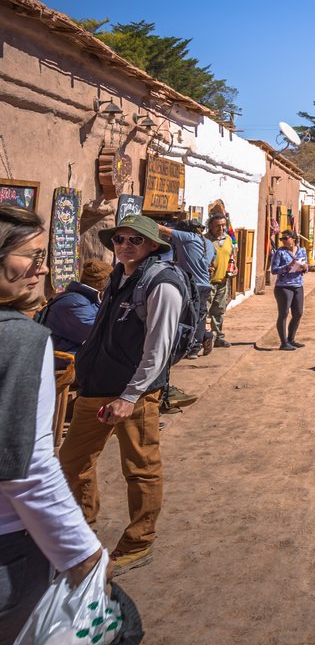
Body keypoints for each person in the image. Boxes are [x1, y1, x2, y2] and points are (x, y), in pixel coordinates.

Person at [0, 204, 107, 638]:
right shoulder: (20, 339)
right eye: (32, 257)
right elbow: (29, 468)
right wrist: (83, 554)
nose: (42, 271)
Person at [60, 213, 186, 575]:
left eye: (135, 240)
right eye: (119, 239)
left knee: (141, 469)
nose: (125, 245)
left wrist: (130, 396)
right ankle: (82, 526)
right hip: (96, 389)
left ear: (151, 245)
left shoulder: (162, 284)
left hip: (133, 395)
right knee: (73, 461)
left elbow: (157, 348)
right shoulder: (120, 277)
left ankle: (138, 542)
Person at [158, 217, 214, 360]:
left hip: (193, 285)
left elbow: (163, 230)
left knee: (192, 316)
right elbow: (209, 263)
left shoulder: (187, 237)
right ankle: (205, 336)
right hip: (205, 284)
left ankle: (194, 347)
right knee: (199, 316)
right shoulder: (209, 243)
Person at [37, 257, 111, 355]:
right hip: (63, 360)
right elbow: (100, 334)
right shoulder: (75, 303)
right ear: (104, 284)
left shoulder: (84, 299)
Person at [269, 230, 307, 351]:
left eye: (286, 238)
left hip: (298, 285)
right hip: (283, 286)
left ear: (293, 238)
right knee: (284, 313)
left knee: (298, 313)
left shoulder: (302, 251)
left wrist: (305, 267)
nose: (283, 241)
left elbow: (306, 268)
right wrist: (288, 266)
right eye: (282, 239)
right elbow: (274, 270)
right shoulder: (280, 252)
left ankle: (291, 339)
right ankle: (283, 342)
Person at [205, 211, 235, 350]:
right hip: (207, 282)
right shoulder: (204, 240)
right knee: (204, 312)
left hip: (223, 281)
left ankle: (218, 337)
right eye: (218, 226)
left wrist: (234, 267)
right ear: (210, 226)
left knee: (219, 311)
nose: (221, 228)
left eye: (223, 225)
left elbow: (231, 256)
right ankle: (201, 339)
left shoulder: (228, 239)